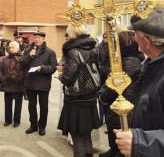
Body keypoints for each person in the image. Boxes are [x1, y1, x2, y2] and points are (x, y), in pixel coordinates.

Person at [114, 7, 164, 157]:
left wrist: (139, 142)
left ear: (147, 42)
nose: (133, 38)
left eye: (135, 34)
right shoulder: (152, 65)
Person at [57, 24, 101, 157]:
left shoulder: (73, 52)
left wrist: (60, 73)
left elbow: (67, 78)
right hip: (91, 96)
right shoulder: (93, 49)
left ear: (72, 34)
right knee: (87, 134)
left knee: (77, 137)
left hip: (75, 99)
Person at [99, 31, 144, 157]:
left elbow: (117, 83)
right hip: (118, 105)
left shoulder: (130, 61)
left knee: (120, 139)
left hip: (123, 106)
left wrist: (103, 97)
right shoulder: (125, 60)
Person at [20, 31, 57, 136]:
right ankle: (33, 125)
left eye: (39, 38)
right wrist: (29, 56)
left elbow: (53, 67)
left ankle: (42, 127)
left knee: (44, 107)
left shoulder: (50, 52)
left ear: (43, 39)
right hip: (30, 82)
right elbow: (22, 64)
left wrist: (42, 68)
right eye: (35, 37)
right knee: (32, 106)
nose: (37, 40)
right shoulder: (28, 50)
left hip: (43, 84)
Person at [0, 41, 26, 127]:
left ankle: (17, 121)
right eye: (10, 47)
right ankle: (8, 120)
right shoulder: (5, 59)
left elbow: (25, 70)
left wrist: (19, 78)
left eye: (13, 47)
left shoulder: (22, 58)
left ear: (18, 48)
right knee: (7, 103)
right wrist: (2, 78)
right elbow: (0, 69)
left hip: (18, 84)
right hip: (7, 83)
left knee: (18, 104)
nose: (11, 49)